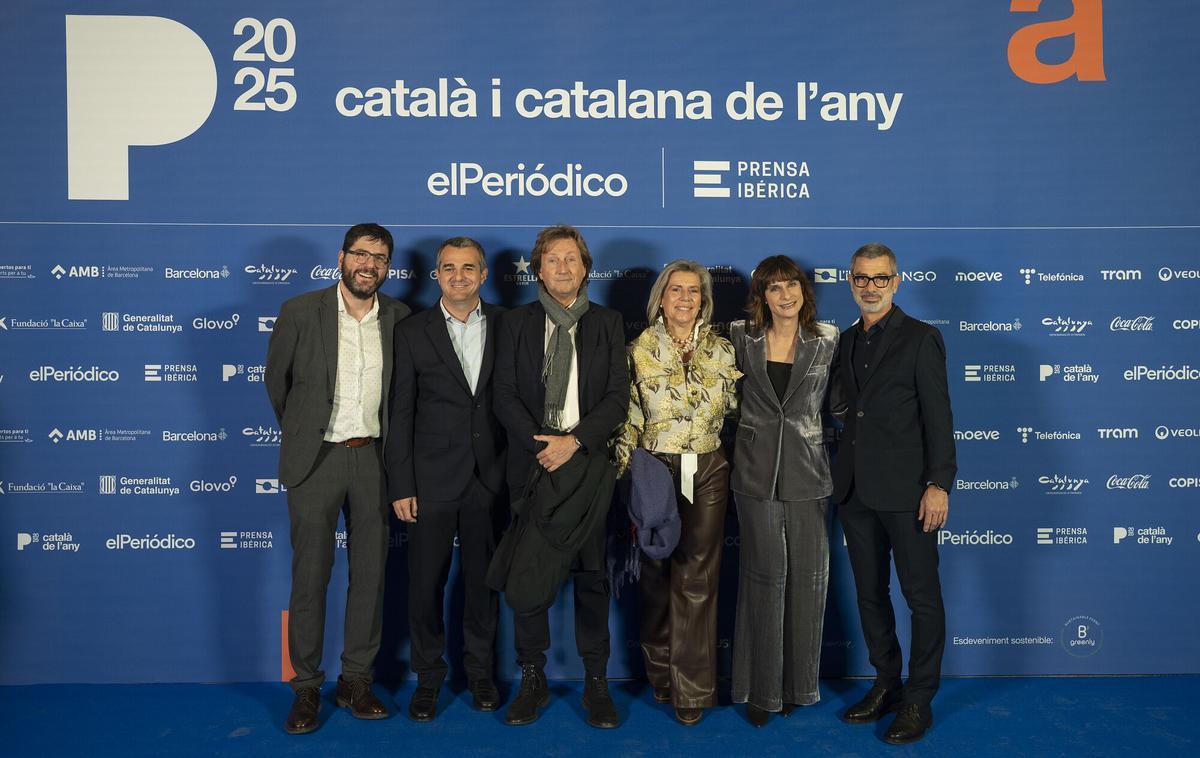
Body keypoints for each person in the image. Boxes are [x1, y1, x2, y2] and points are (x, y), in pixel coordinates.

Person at [265, 223, 410, 734]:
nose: (369, 265)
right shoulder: (300, 311)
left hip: (374, 460)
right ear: (342, 257)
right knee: (310, 577)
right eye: (361, 254)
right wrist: (306, 434)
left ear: (388, 267)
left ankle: (356, 681)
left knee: (370, 577)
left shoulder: (400, 318)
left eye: (380, 258)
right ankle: (306, 686)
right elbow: (278, 385)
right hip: (316, 459)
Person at [490, 224, 629, 728]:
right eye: (553, 259)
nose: (563, 267)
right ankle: (533, 678)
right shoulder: (515, 323)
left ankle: (596, 681)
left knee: (592, 579)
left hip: (587, 466)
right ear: (538, 270)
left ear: (586, 268)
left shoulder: (608, 323)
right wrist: (543, 445)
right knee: (529, 577)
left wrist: (574, 442)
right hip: (533, 467)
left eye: (572, 259)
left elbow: (617, 397)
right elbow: (503, 394)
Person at [829, 243, 955, 745]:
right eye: (862, 278)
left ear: (896, 282)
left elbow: (939, 419)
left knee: (921, 597)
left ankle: (918, 699)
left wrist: (938, 484)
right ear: (850, 281)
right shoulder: (844, 341)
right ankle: (886, 683)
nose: (871, 287)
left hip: (909, 492)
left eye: (880, 278)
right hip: (856, 490)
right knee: (869, 593)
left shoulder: (922, 338)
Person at [612, 259, 741, 726]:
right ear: (661, 299)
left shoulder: (724, 350)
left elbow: (735, 411)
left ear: (703, 300)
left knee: (697, 576)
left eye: (693, 291)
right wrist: (627, 475)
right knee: (655, 573)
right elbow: (626, 418)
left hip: (706, 466)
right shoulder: (637, 350)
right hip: (654, 467)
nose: (685, 298)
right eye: (676, 290)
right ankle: (660, 670)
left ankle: (692, 687)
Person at [385, 237, 507, 721]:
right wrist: (401, 484)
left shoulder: (508, 324)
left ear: (483, 275)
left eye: (468, 267)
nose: (459, 276)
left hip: (490, 477)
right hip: (430, 479)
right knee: (425, 585)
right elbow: (401, 411)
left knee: (483, 585)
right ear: (437, 274)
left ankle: (480, 674)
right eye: (449, 268)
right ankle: (429, 677)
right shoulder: (412, 331)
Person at [727, 256, 838, 727]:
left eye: (791, 285)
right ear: (762, 297)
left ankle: (797, 686)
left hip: (809, 473)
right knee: (763, 578)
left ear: (803, 291)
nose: (785, 295)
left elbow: (843, 403)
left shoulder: (828, 339)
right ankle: (760, 689)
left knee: (810, 581)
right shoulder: (739, 336)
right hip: (754, 473)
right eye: (774, 288)